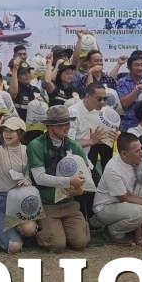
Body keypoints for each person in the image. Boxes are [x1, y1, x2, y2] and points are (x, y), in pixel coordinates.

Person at [26, 105, 92, 253]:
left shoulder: (74, 145)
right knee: (57, 245)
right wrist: (69, 181)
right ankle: (40, 228)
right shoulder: (36, 145)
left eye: (67, 123)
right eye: (61, 124)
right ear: (49, 126)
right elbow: (40, 178)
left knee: (81, 242)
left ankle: (62, 229)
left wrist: (80, 190)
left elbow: (86, 175)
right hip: (47, 203)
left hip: (69, 203)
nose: (66, 127)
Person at [0, 115, 38, 253]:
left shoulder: (28, 150)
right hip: (0, 202)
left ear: (21, 133)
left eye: (12, 131)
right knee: (15, 247)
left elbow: (30, 172)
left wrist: (28, 179)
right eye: (5, 130)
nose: (7, 134)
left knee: (30, 229)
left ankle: (14, 228)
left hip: (20, 200)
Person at [90, 132, 142, 245]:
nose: (141, 153)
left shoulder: (136, 160)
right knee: (140, 212)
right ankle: (114, 232)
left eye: (141, 149)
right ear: (124, 154)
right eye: (137, 151)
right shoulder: (113, 169)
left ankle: (134, 230)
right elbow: (124, 197)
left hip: (124, 204)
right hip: (106, 207)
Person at [116, 53, 142, 131]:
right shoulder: (122, 82)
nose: (140, 68)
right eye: (137, 65)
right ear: (129, 67)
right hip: (129, 125)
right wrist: (137, 89)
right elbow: (124, 104)